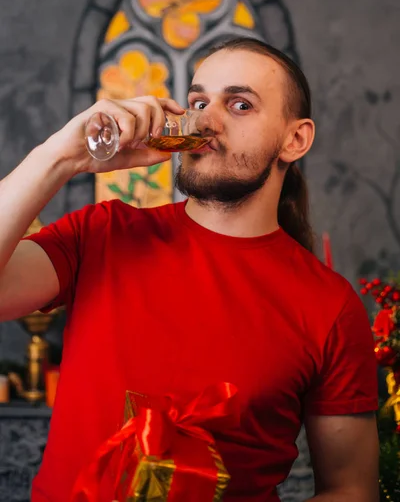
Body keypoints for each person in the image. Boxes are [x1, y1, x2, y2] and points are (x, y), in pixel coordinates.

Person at [0, 37, 379, 502]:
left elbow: (350, 489)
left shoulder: (331, 306)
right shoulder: (103, 233)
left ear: (294, 139)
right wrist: (59, 157)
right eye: (199, 101)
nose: (207, 120)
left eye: (240, 104)